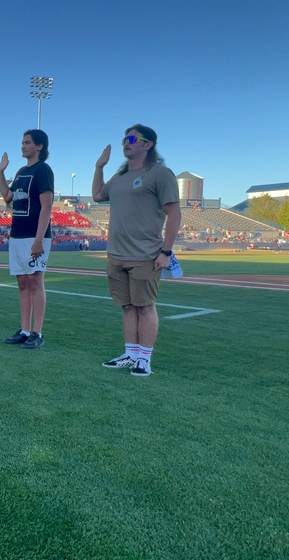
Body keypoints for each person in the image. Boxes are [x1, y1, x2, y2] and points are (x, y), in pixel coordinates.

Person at [92, 124, 181, 376]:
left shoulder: (160, 174)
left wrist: (166, 252)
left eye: (131, 138)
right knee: (127, 307)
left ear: (148, 144)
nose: (125, 143)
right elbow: (98, 195)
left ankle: (145, 358)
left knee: (145, 306)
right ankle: (131, 354)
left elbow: (174, 214)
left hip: (145, 254)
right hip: (116, 254)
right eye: (124, 139)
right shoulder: (119, 177)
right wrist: (99, 166)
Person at [0, 130, 55, 349]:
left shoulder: (43, 170)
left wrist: (39, 239)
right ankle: (24, 330)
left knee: (35, 281)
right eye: (22, 142)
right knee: (22, 282)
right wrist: (1, 172)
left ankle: (37, 332)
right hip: (17, 234)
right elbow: (8, 197)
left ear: (39, 146)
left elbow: (47, 205)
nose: (23, 146)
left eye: (27, 142)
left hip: (34, 235)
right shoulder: (21, 171)